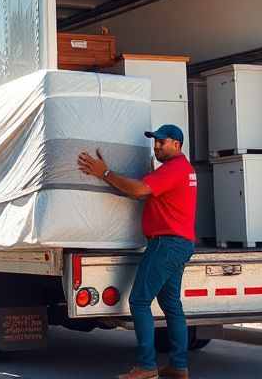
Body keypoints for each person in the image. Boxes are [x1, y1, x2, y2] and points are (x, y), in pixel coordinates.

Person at [78, 125, 197, 379]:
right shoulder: (183, 169)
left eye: (161, 142)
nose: (156, 147)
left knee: (139, 301)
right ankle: (178, 366)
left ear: (177, 144)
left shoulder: (173, 169)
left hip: (166, 244)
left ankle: (146, 366)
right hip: (180, 243)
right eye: (154, 142)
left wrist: (105, 172)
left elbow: (139, 190)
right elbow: (144, 192)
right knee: (171, 304)